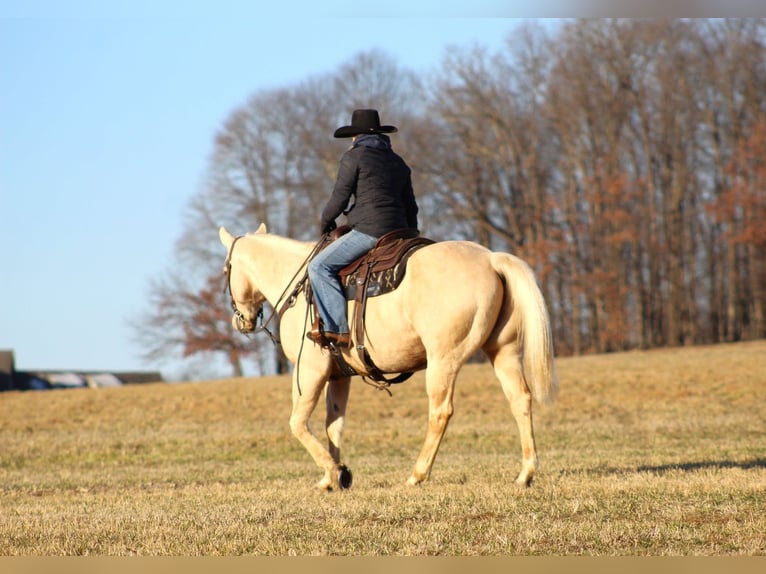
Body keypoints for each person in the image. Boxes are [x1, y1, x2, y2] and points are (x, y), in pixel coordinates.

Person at [307, 109, 419, 347]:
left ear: (355, 136)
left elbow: (340, 197)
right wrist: (411, 234)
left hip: (370, 230)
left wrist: (326, 221)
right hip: (400, 231)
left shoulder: (354, 157)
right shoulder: (398, 162)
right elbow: (411, 206)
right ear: (380, 134)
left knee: (318, 266)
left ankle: (337, 329)